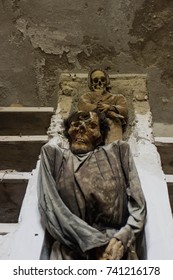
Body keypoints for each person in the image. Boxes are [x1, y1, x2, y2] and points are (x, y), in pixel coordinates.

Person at [38, 110, 146, 260]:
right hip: (71, 250)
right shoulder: (54, 156)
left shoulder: (119, 152)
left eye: (91, 126)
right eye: (76, 125)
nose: (81, 129)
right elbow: (51, 206)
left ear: (100, 135)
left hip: (115, 250)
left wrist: (124, 237)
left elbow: (138, 204)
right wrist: (94, 242)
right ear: (68, 131)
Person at [77, 69, 128, 143]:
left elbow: (124, 110)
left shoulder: (118, 97)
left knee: (113, 125)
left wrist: (110, 107)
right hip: (92, 124)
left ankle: (113, 148)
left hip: (112, 126)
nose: (100, 83)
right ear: (91, 83)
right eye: (95, 80)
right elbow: (83, 106)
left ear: (107, 81)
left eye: (103, 79)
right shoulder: (87, 96)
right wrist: (108, 113)